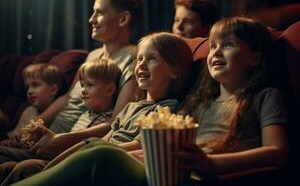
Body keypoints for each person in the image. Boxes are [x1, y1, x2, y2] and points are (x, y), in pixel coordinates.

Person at [13, 17, 289, 186]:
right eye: (213, 45)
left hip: (198, 177)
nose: (215, 52)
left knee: (103, 153)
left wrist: (212, 164)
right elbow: (157, 150)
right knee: (100, 147)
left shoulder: (264, 96)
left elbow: (278, 152)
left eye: (228, 45)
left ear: (255, 57)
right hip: (162, 171)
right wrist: (126, 154)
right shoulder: (200, 102)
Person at [10, 31, 193, 186]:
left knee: (27, 168)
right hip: (93, 155)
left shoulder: (168, 111)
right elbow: (105, 138)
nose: (141, 65)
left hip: (111, 163)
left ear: (174, 71)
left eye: (151, 59)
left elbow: (136, 145)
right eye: (139, 59)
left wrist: (72, 157)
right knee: (21, 168)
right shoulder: (130, 107)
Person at [0, 0, 143, 162]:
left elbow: (116, 121)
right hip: (49, 136)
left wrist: (62, 140)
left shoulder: (135, 57)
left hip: (70, 144)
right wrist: (28, 128)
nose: (91, 20)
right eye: (92, 13)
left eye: (99, 13)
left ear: (123, 18)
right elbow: (67, 98)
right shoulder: (93, 55)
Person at [0, 58, 121, 184]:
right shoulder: (85, 114)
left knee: (24, 168)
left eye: (89, 85)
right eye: (82, 85)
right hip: (56, 156)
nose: (83, 90)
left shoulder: (107, 120)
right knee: (6, 166)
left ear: (110, 90)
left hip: (67, 161)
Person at [0, 63, 64, 148]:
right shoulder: (29, 111)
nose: (29, 91)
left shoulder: (61, 114)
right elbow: (15, 136)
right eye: (27, 87)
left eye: (35, 85)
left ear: (53, 90)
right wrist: (9, 142)